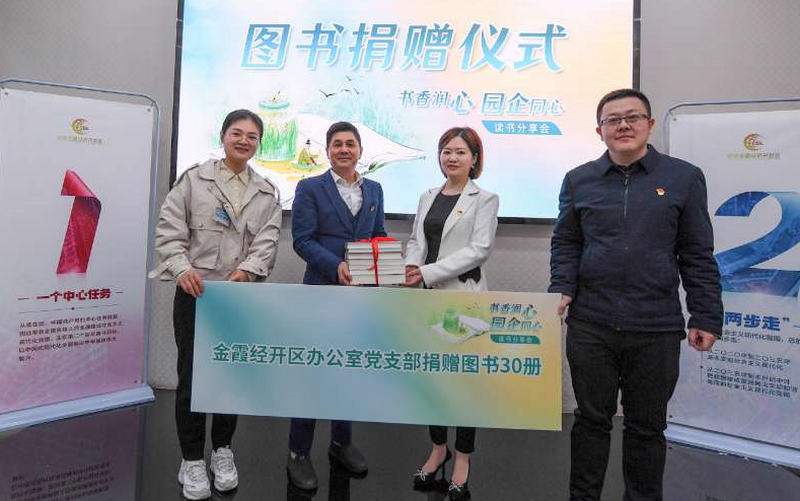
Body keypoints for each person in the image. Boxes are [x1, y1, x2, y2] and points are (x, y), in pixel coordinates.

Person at [549, 89, 723, 501]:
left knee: (647, 427)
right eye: (613, 120)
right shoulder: (578, 179)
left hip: (656, 326)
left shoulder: (683, 177)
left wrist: (705, 315)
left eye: (633, 117)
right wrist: (562, 286)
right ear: (600, 131)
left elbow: (696, 252)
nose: (623, 125)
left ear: (649, 124)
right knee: (591, 421)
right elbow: (566, 242)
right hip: (591, 324)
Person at [150, 109, 282, 500]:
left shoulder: (266, 191)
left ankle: (222, 450)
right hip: (197, 294)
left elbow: (267, 242)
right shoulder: (194, 180)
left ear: (259, 144)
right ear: (223, 136)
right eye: (237, 133)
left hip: (238, 297)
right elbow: (169, 231)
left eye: (252, 136)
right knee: (192, 377)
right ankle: (191, 458)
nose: (244, 141)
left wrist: (248, 271)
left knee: (230, 375)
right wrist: (181, 268)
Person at [287, 121, 387, 490]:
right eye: (337, 144)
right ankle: (298, 452)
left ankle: (340, 443)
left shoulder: (374, 189)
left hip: (358, 296)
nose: (344, 149)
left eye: (350, 144)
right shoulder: (310, 187)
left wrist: (390, 261)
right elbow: (302, 240)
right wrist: (335, 266)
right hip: (320, 292)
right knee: (312, 371)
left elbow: (377, 235)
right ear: (327, 151)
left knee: (348, 369)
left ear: (360, 150)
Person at [405, 126, 499, 501]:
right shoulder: (427, 196)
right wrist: (412, 267)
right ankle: (438, 449)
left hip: (464, 300)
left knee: (464, 385)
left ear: (474, 159)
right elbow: (417, 241)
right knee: (433, 381)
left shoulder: (485, 198)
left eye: (461, 151)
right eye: (446, 151)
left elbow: (479, 249)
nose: (452, 157)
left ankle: (462, 458)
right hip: (425, 299)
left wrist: (427, 272)